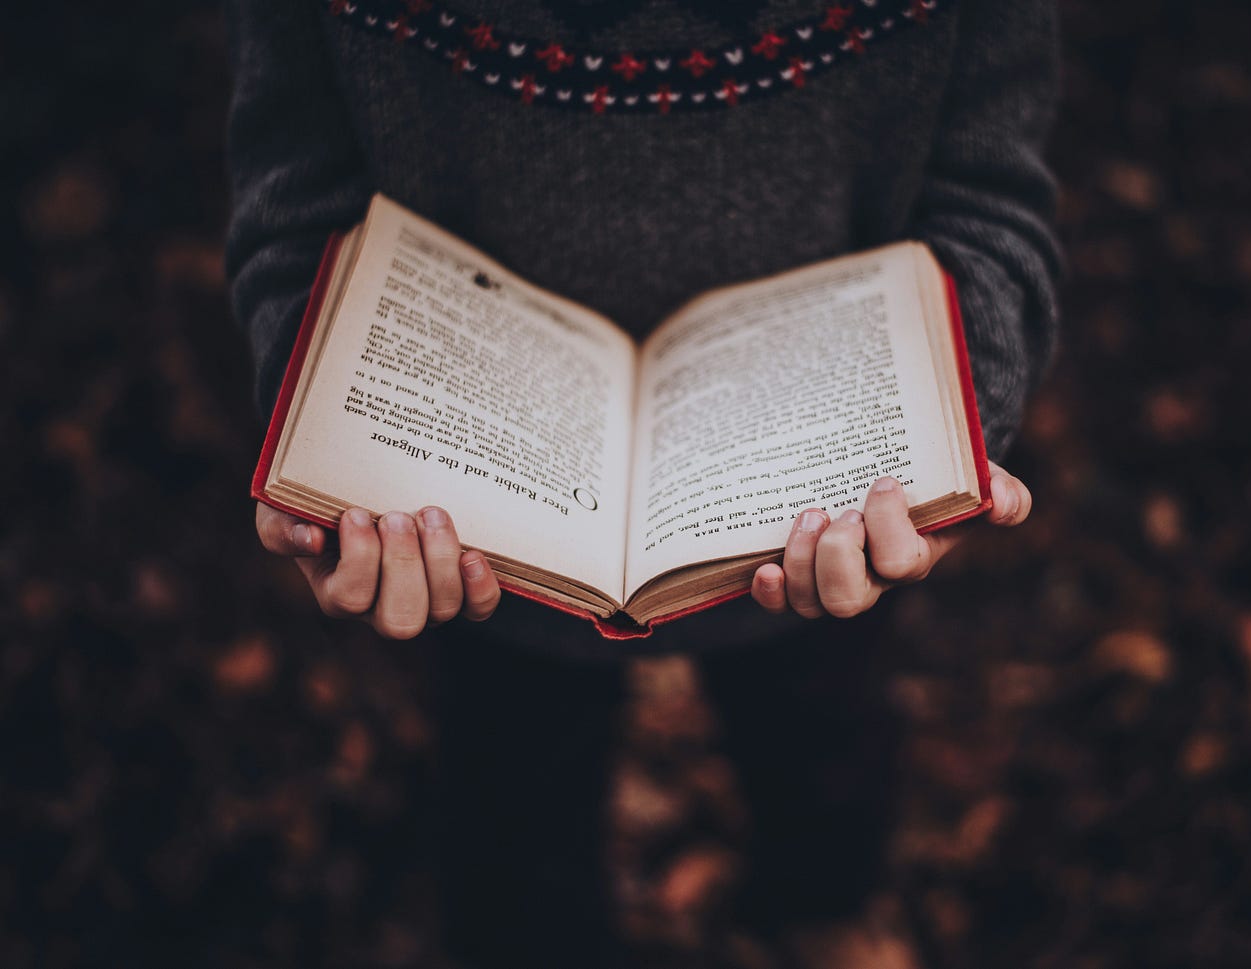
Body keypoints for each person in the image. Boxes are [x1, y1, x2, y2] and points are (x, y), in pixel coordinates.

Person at [225, 1, 1059, 964]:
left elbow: (987, 198)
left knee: (824, 737)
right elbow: (298, 206)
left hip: (822, 518)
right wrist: (330, 452)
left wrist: (946, 442)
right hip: (480, 539)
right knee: (513, 793)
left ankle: (821, 902)